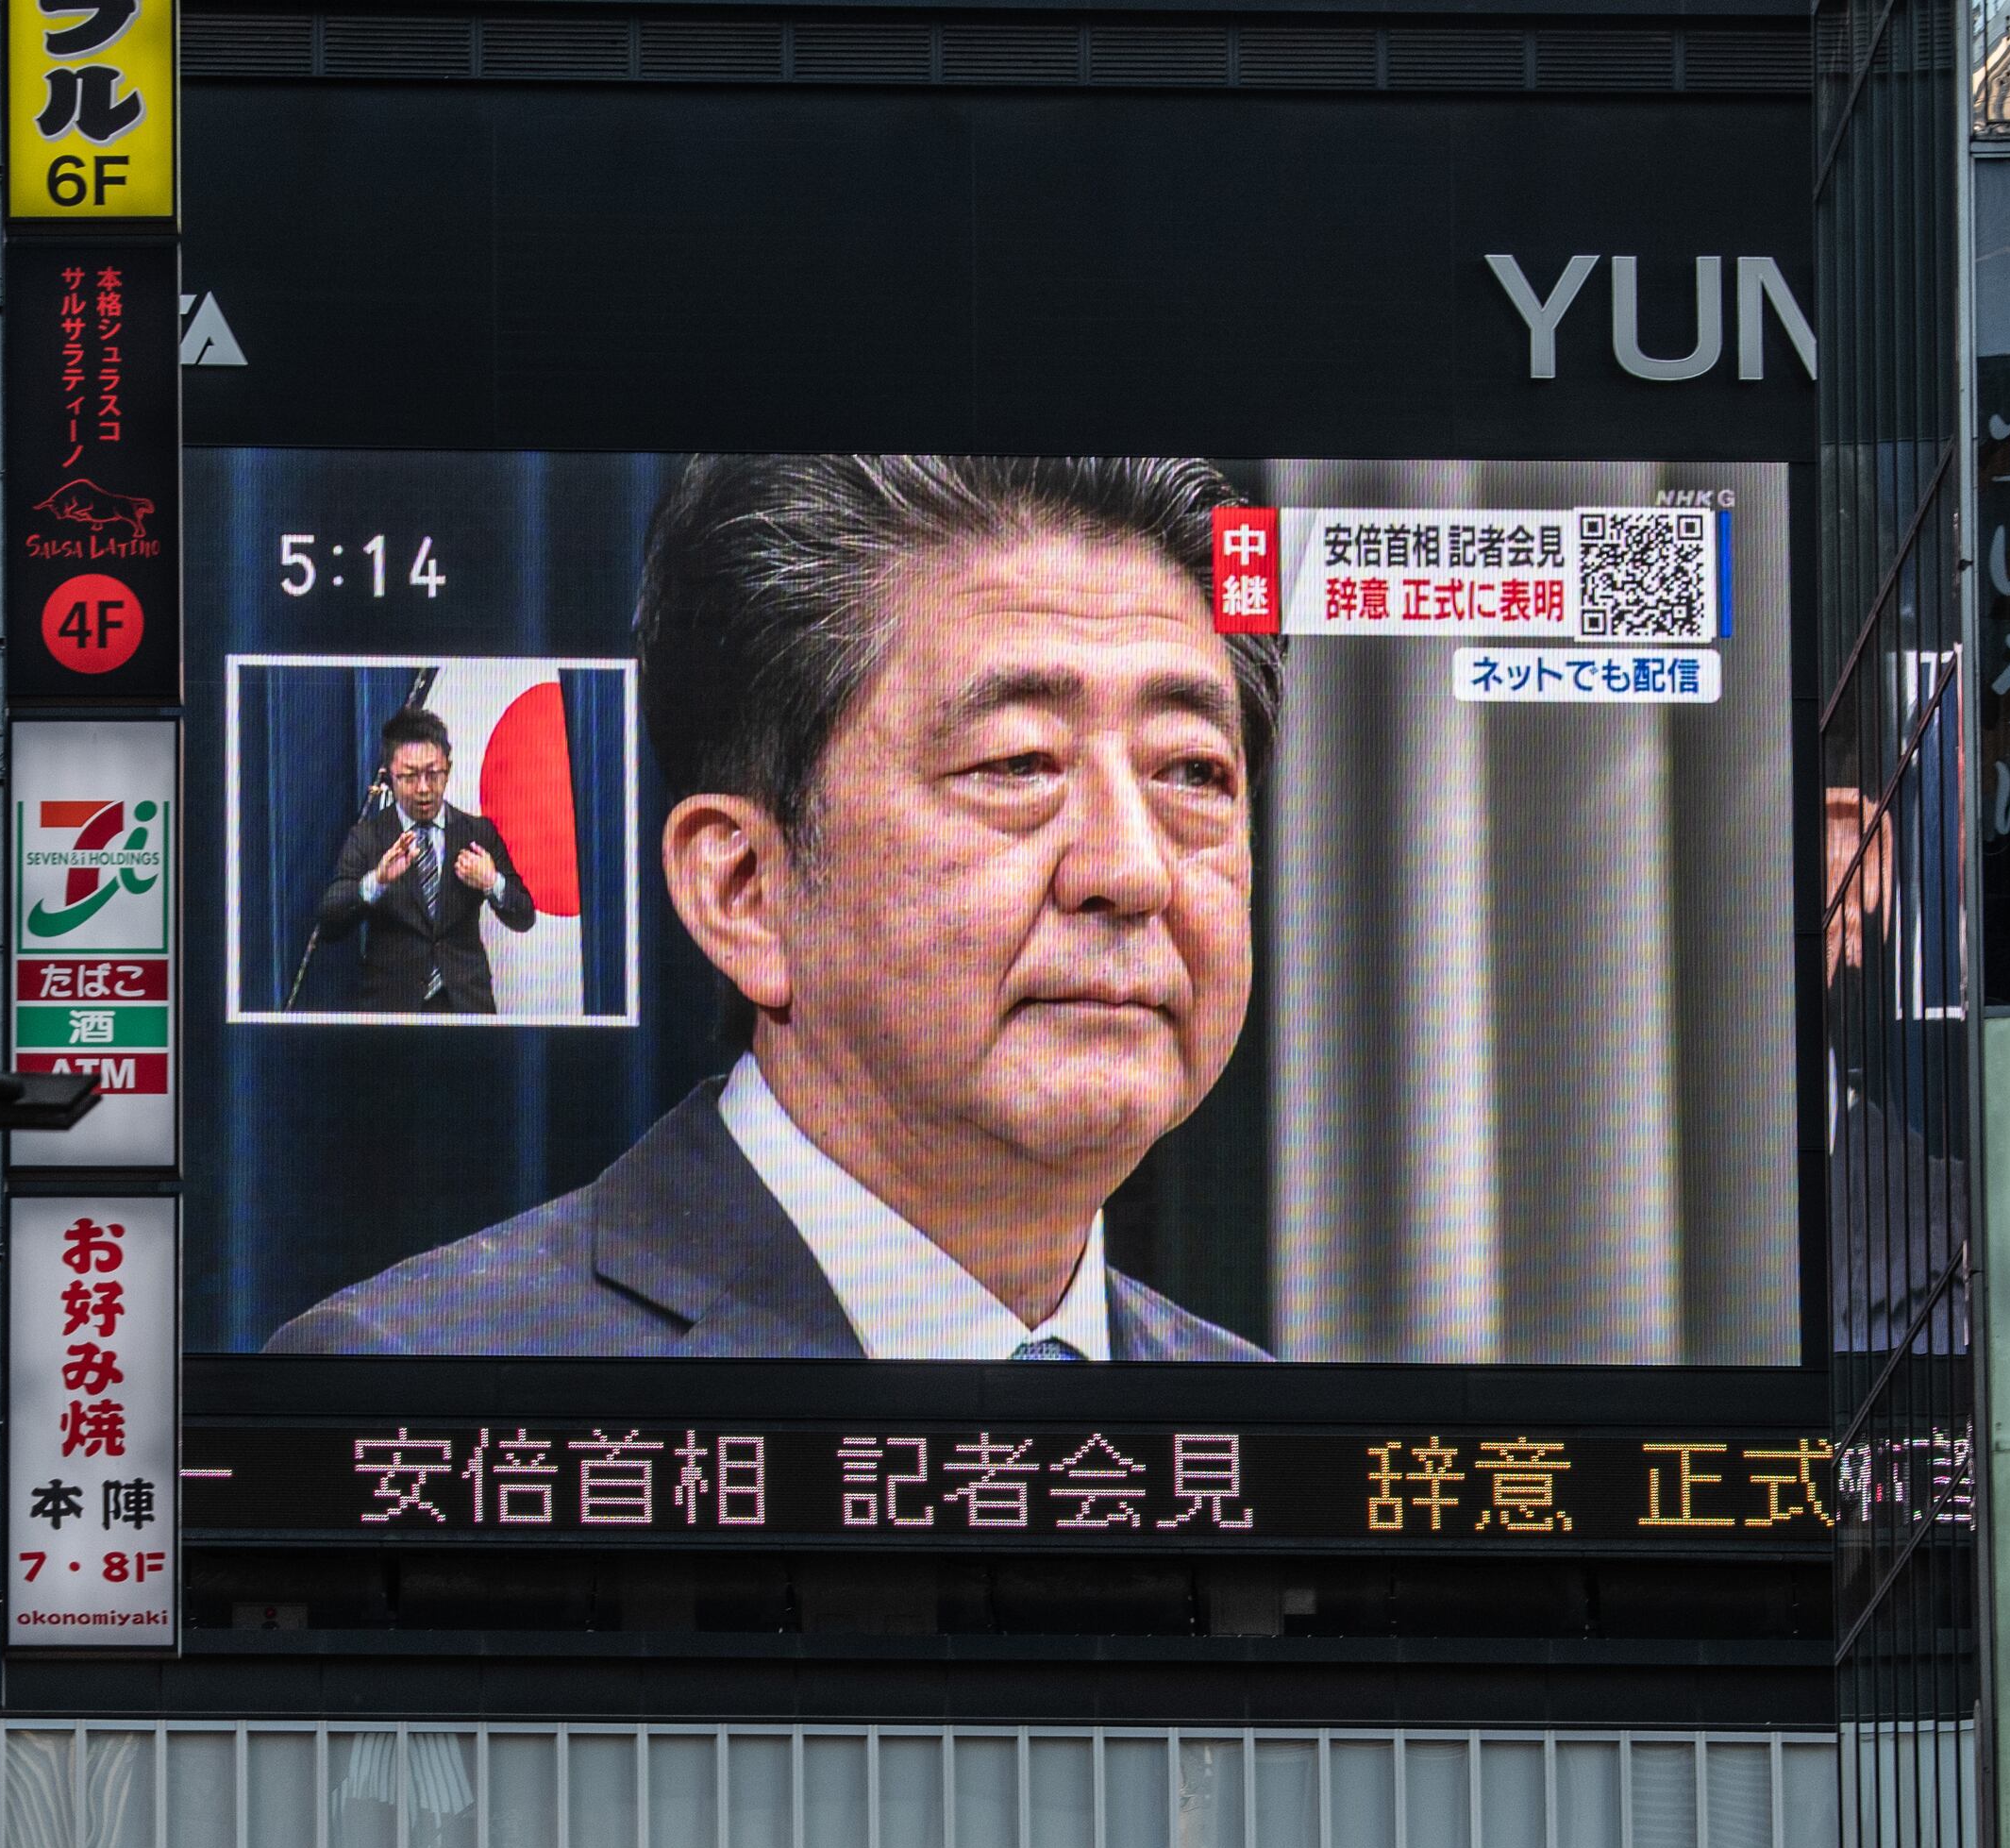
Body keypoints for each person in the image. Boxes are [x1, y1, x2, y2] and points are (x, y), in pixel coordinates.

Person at [268, 455, 1281, 1361]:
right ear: (742, 890)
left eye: (1192, 771)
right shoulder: (419, 1370)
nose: (1131, 870)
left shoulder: (1253, 1408)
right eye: (1017, 762)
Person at [307, 708, 536, 1014]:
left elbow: (524, 917)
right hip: (391, 1011)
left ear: (448, 770)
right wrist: (377, 881)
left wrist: (492, 882)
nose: (424, 788)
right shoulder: (368, 837)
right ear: (389, 776)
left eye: (433, 773)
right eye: (410, 776)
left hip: (466, 1007)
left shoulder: (478, 833)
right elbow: (330, 923)